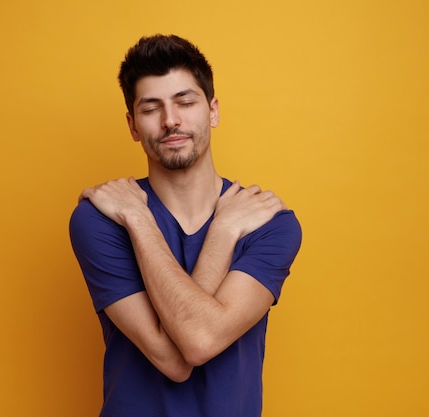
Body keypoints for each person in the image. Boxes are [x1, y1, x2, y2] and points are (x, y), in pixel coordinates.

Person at [69, 34, 302, 417]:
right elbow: (176, 361)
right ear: (132, 125)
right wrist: (142, 218)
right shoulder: (100, 219)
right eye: (151, 108)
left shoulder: (268, 222)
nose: (170, 120)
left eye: (185, 101)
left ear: (212, 110)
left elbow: (199, 340)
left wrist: (223, 228)